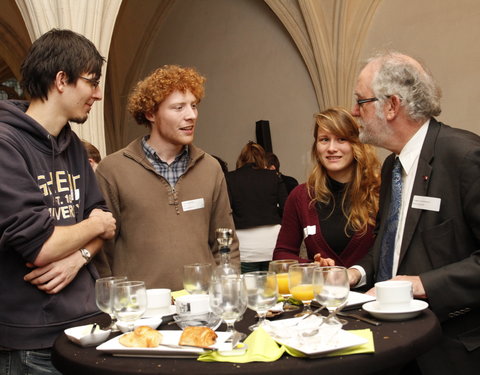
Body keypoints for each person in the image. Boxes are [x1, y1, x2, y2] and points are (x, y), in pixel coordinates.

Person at [318, 52, 480, 374]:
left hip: (451, 351)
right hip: (398, 344)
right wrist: (354, 274)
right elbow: (390, 246)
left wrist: (422, 283)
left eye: (360, 101)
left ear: (391, 106)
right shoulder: (394, 165)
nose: (354, 112)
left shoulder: (464, 157)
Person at [0, 29, 116, 374]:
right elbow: (42, 248)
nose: (97, 94)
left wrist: (78, 257)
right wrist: (93, 226)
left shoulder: (72, 144)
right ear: (62, 80)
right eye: (91, 82)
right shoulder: (7, 144)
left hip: (86, 324)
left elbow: (107, 218)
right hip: (32, 339)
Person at [94, 65, 239, 290]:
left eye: (193, 105)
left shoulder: (210, 168)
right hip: (143, 313)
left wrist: (226, 293)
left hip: (203, 306)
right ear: (151, 113)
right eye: (178, 107)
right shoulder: (113, 170)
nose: (190, 115)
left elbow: (225, 243)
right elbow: (103, 253)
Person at [273, 107, 380, 267]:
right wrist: (312, 267)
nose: (331, 148)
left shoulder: (378, 191)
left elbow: (388, 252)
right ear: (316, 147)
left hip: (369, 291)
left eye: (341, 139)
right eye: (324, 139)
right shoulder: (301, 196)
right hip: (321, 291)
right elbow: (282, 254)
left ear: (356, 144)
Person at [226, 141, 287, 273]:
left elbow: (226, 211)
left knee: (248, 292)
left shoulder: (230, 178)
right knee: (274, 290)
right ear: (262, 159)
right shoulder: (273, 176)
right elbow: (286, 208)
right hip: (272, 243)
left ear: (241, 159)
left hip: (244, 247)